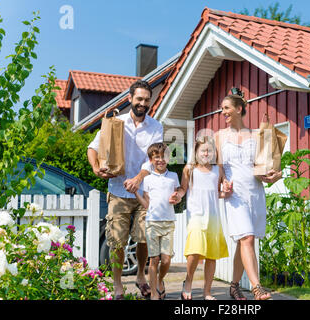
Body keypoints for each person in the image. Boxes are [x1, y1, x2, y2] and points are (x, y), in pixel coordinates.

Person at [87, 80, 163, 300]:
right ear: (130, 99)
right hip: (118, 191)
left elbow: (155, 158)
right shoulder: (115, 123)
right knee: (117, 242)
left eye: (146, 99)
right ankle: (118, 284)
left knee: (144, 238)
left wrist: (139, 178)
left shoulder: (156, 126)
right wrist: (95, 168)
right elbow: (93, 148)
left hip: (144, 193)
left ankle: (140, 275)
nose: (142, 103)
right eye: (139, 99)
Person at [214, 88, 282, 300]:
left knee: (244, 241)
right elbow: (219, 168)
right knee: (247, 237)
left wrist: (274, 176)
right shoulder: (219, 136)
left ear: (239, 109)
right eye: (222, 108)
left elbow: (262, 168)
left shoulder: (256, 135)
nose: (222, 112)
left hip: (255, 193)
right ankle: (256, 287)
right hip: (234, 195)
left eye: (226, 108)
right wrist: (223, 183)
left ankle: (234, 286)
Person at [172, 136, 231, 300]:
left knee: (211, 255)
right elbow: (183, 189)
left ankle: (207, 292)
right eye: (203, 150)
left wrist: (225, 192)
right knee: (195, 250)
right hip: (196, 215)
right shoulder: (189, 169)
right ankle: (188, 282)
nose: (206, 153)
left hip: (213, 216)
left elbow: (216, 191)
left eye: (209, 150)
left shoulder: (217, 170)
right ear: (196, 152)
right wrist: (177, 196)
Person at [134, 142, 180, 300]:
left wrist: (176, 198)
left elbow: (176, 197)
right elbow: (146, 203)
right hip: (152, 222)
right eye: (156, 157)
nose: (160, 160)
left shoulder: (173, 177)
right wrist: (136, 194)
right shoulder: (147, 179)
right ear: (151, 160)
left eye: (163, 157)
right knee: (154, 259)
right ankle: (154, 292)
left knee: (166, 259)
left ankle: (160, 280)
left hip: (168, 223)